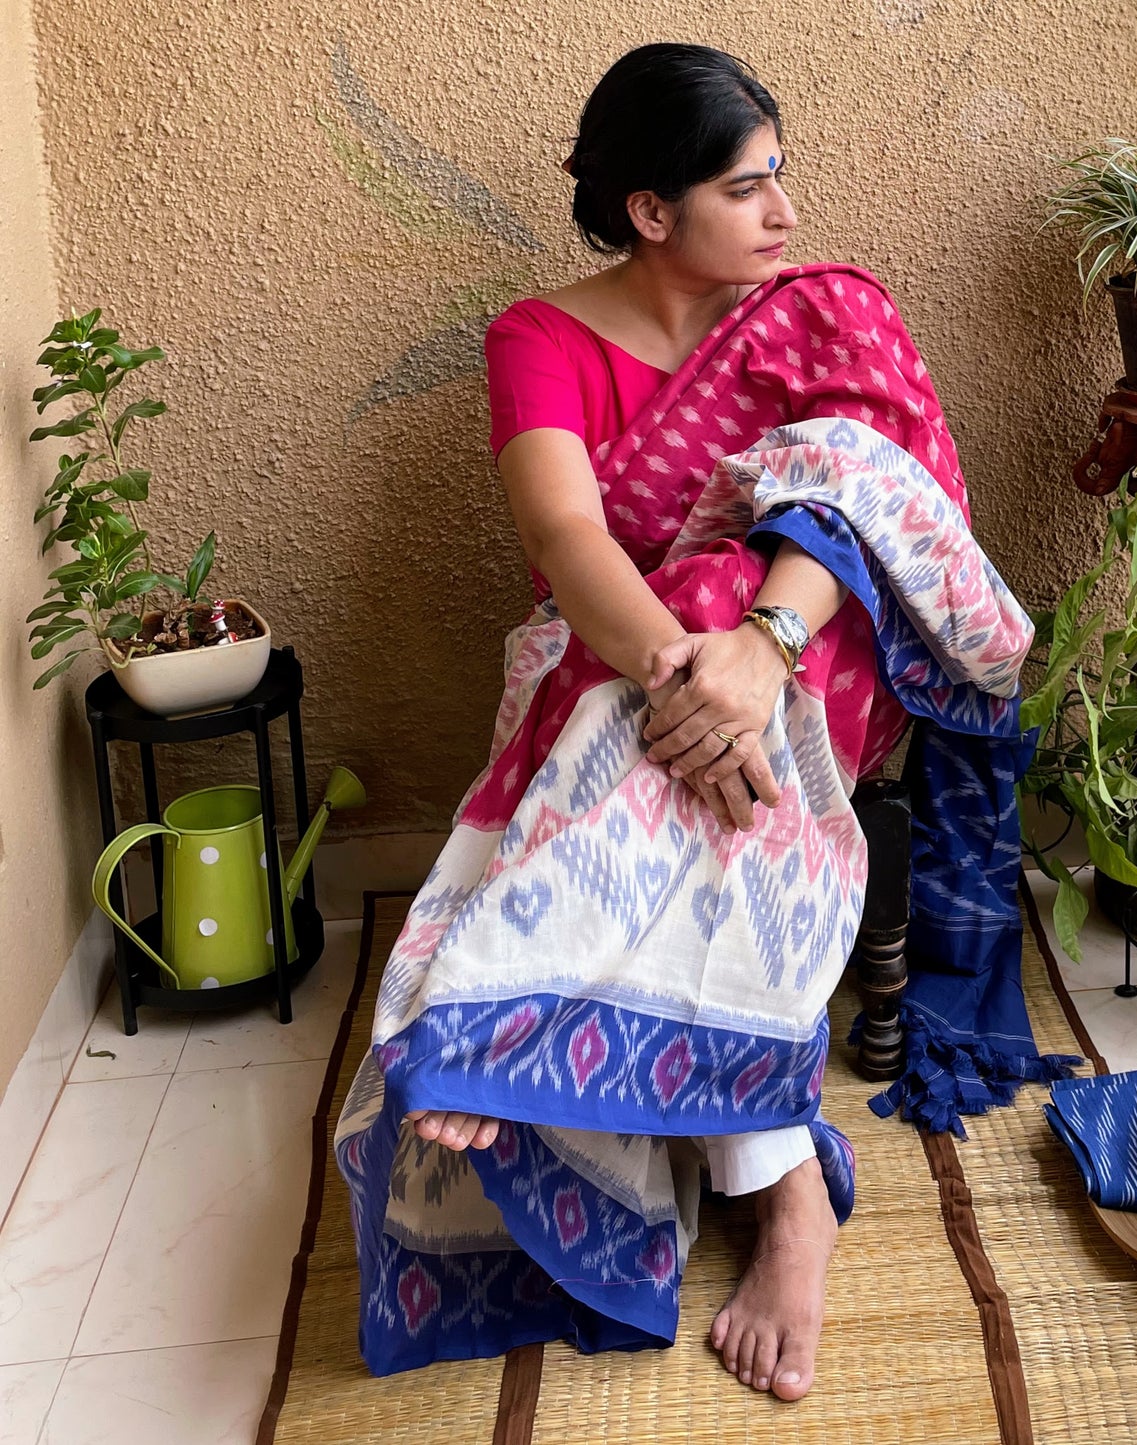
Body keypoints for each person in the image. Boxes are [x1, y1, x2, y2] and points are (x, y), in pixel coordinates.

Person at [336, 41, 1034, 1400]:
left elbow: (870, 488)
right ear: (653, 212)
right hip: (633, 664)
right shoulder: (536, 338)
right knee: (646, 708)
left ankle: (506, 1011)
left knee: (730, 594)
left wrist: (758, 647)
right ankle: (785, 1193)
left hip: (823, 648)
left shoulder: (822, 308)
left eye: (781, 176)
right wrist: (686, 674)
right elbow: (564, 535)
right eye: (747, 184)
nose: (782, 211)